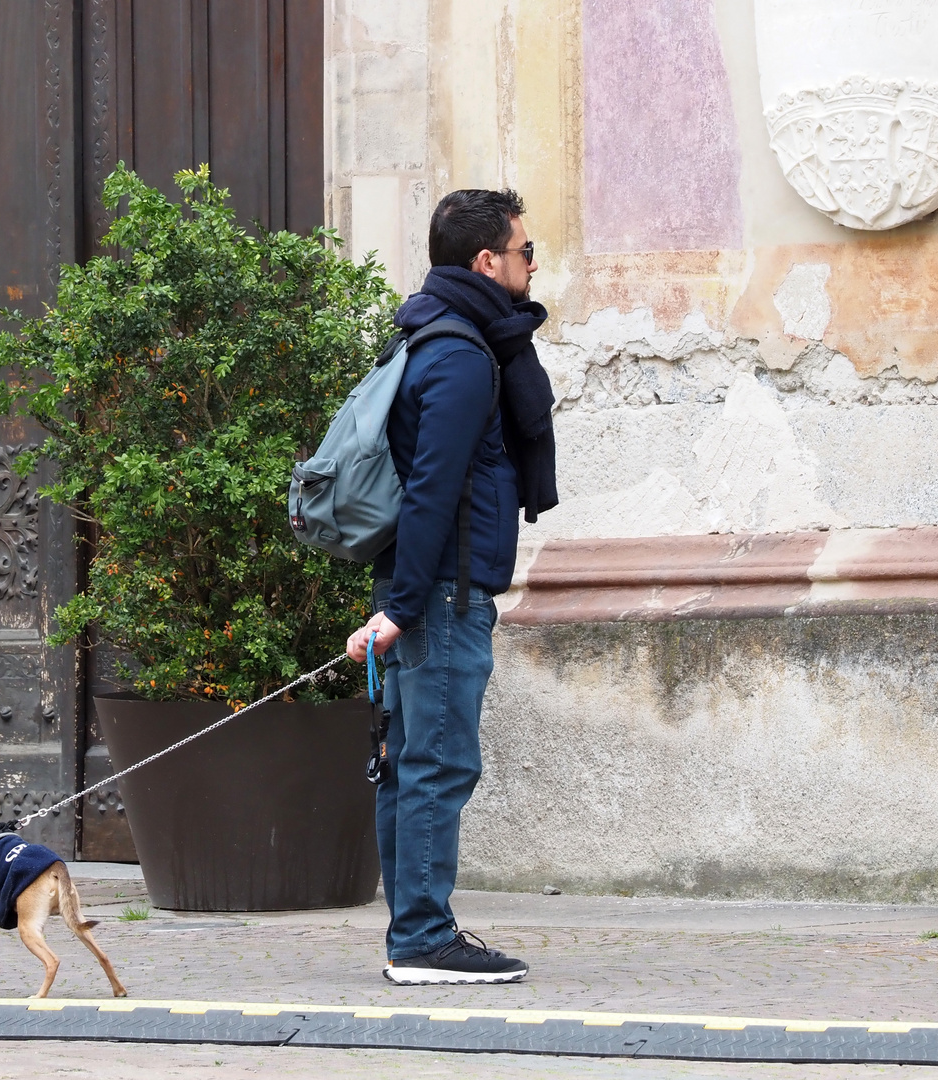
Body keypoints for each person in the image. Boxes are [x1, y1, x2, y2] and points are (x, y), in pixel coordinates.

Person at [345, 188, 557, 985]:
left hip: (428, 590)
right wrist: (402, 609)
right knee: (436, 764)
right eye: (526, 251)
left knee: (412, 764)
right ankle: (423, 940)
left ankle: (414, 930)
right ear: (486, 262)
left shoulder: (434, 338)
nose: (533, 264)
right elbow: (433, 489)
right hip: (444, 594)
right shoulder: (465, 356)